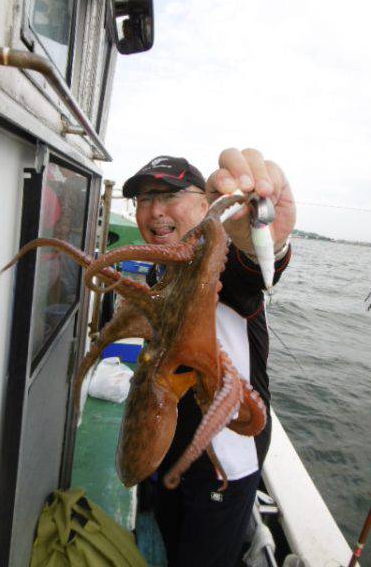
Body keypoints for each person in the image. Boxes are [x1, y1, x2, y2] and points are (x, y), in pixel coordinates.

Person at [122, 148, 296, 567]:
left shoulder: (225, 266)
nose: (154, 211)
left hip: (226, 456)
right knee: (167, 538)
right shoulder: (159, 271)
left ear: (204, 204)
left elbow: (253, 268)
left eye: (169, 195)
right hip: (168, 441)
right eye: (144, 199)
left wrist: (265, 243)